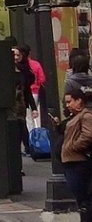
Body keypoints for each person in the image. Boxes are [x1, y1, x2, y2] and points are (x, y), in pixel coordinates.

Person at [61, 87, 92, 220]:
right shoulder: (75, 116)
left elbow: (87, 135)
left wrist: (73, 147)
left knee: (83, 197)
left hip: (78, 162)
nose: (68, 105)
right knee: (81, 198)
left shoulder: (86, 116)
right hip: (71, 161)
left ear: (79, 100)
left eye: (70, 102)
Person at [15, 43, 47, 133]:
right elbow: (42, 79)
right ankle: (33, 134)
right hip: (35, 91)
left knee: (27, 117)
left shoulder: (18, 68)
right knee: (32, 116)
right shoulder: (35, 64)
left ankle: (30, 134)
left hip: (25, 94)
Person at [12, 55, 39, 155]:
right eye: (14, 55)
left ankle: (27, 147)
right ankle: (20, 148)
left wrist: (34, 108)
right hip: (11, 106)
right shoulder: (6, 73)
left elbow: (27, 90)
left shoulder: (22, 72)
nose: (16, 57)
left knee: (22, 126)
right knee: (17, 127)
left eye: (18, 55)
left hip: (21, 105)